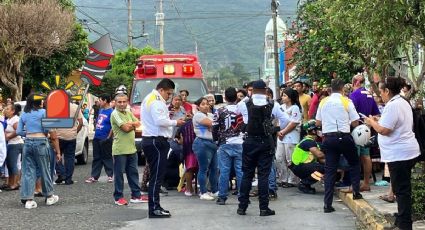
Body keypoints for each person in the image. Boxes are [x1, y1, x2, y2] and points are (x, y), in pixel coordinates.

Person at [364, 77, 420, 230]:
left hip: (399, 154)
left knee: (402, 191)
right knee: (401, 188)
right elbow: (393, 122)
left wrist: (372, 122)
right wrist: (379, 119)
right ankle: (401, 219)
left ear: (387, 91)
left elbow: (384, 130)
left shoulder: (393, 105)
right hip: (405, 152)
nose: (380, 94)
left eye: (381, 91)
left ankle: (405, 224)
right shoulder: (402, 102)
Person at [236, 80, 289, 216]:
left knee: (247, 174)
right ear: (266, 90)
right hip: (265, 141)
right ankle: (264, 208)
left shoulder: (244, 103)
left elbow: (237, 111)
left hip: (249, 141)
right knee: (263, 175)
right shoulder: (273, 104)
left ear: (252, 90)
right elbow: (285, 120)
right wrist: (274, 128)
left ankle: (242, 206)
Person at [316, 78, 362, 213]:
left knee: (330, 170)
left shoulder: (323, 102)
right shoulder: (347, 101)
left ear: (331, 89)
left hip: (328, 139)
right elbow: (355, 123)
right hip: (344, 137)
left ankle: (327, 204)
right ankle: (356, 192)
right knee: (354, 163)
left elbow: (318, 122)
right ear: (342, 89)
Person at [141, 78, 185, 218]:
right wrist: (176, 122)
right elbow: (160, 121)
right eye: (169, 93)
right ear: (161, 90)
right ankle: (154, 209)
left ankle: (156, 206)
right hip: (156, 141)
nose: (169, 96)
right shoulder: (156, 101)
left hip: (153, 140)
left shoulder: (150, 98)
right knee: (156, 177)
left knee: (157, 176)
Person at [17, 94, 60, 209]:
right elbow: (48, 129)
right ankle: (49, 196)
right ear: (38, 103)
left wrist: (28, 133)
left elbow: (18, 131)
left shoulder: (24, 114)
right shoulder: (43, 112)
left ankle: (29, 199)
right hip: (41, 141)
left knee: (28, 171)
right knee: (44, 169)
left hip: (28, 142)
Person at [111, 93, 147, 206]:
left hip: (131, 149)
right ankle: (118, 197)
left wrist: (131, 123)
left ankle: (136, 195)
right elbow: (126, 129)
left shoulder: (128, 113)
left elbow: (138, 122)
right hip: (120, 150)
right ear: (115, 102)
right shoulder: (115, 114)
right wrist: (133, 124)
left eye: (124, 102)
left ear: (127, 102)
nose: (122, 104)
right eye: (119, 102)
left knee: (133, 173)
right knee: (119, 175)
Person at [213, 87, 244, 205]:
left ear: (225, 98)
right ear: (236, 97)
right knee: (240, 171)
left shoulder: (219, 111)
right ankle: (242, 196)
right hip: (240, 143)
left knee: (224, 171)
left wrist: (216, 141)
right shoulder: (241, 110)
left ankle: (222, 197)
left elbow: (215, 127)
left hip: (224, 143)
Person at [349, 74, 380, 192]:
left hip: (356, 130)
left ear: (356, 82)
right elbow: (376, 114)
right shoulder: (369, 95)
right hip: (367, 129)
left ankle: (355, 185)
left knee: (355, 158)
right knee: (366, 156)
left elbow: (351, 115)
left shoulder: (353, 95)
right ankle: (366, 183)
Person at [192, 97, 218, 201]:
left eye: (207, 104)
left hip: (213, 144)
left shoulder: (211, 115)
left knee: (214, 169)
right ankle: (203, 192)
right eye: (203, 104)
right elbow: (213, 124)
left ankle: (214, 190)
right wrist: (214, 125)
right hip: (202, 143)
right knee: (203, 169)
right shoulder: (198, 115)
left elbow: (215, 125)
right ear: (198, 107)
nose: (206, 106)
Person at [289, 120, 325, 194]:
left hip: (301, 167)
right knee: (323, 168)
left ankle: (306, 184)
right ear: (314, 131)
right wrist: (332, 155)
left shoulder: (312, 142)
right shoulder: (308, 141)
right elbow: (319, 155)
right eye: (319, 129)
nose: (321, 131)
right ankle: (304, 183)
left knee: (326, 167)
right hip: (299, 167)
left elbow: (320, 159)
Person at [276, 88, 302, 188]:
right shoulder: (281, 107)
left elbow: (294, 123)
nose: (282, 97)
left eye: (285, 95)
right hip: (281, 136)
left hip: (291, 136)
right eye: (282, 95)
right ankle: (283, 179)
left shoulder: (295, 108)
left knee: (290, 159)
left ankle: (292, 180)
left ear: (290, 98)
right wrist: (279, 131)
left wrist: (283, 131)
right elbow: (277, 121)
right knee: (279, 158)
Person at [85, 94, 114, 183]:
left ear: (105, 101)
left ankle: (110, 175)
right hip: (97, 137)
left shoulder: (112, 112)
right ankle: (94, 176)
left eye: (100, 100)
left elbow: (113, 126)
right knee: (96, 157)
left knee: (107, 157)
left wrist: (109, 137)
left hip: (105, 138)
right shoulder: (101, 110)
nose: (98, 102)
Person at [55, 101, 83, 185]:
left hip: (58, 136)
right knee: (70, 158)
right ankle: (68, 179)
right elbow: (81, 123)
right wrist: (75, 132)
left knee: (56, 155)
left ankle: (61, 174)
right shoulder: (76, 107)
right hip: (71, 136)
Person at [3, 104, 23, 190]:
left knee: (13, 165)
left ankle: (15, 184)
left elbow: (18, 130)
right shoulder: (9, 119)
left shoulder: (15, 119)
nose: (5, 110)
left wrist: (8, 136)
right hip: (11, 144)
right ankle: (11, 183)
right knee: (10, 165)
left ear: (13, 111)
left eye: (7, 109)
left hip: (15, 144)